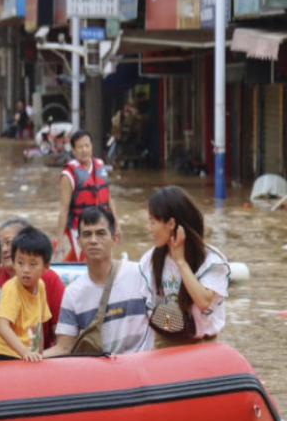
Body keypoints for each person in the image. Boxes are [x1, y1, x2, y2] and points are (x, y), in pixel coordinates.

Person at [44, 207, 152, 357]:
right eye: (87, 234)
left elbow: (163, 324)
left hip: (144, 368)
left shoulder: (140, 274)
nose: (93, 240)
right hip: (103, 374)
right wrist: (25, 359)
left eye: (100, 233)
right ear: (79, 242)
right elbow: (63, 348)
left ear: (115, 238)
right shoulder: (73, 294)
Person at [138, 186, 229, 348]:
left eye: (153, 222)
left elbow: (203, 301)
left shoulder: (211, 260)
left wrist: (181, 262)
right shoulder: (149, 260)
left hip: (204, 343)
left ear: (171, 223)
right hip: (165, 340)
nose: (149, 228)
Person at [0, 226, 52, 362]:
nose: (25, 270)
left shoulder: (41, 286)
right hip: (0, 353)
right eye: (20, 263)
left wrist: (39, 354)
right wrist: (25, 352)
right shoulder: (11, 289)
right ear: (13, 263)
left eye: (33, 264)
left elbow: (39, 326)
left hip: (22, 355)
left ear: (46, 267)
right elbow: (2, 327)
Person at [0, 217, 64, 349]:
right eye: (0, 245)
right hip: (8, 353)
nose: (4, 249)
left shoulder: (48, 279)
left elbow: (58, 329)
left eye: (9, 242)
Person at [54, 129, 120, 262]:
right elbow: (63, 209)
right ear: (73, 150)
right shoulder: (68, 175)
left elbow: (108, 198)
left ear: (91, 146)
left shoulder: (100, 165)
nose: (84, 150)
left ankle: (64, 266)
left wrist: (117, 224)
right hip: (79, 227)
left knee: (104, 257)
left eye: (87, 145)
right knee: (88, 260)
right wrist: (59, 239)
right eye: (80, 147)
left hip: (102, 222)